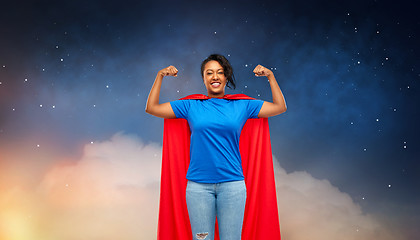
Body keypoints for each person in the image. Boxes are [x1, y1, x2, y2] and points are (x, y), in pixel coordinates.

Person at [145, 54, 286, 240]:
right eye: (209, 73)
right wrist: (160, 76)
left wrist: (270, 76)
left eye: (220, 72)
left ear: (226, 77)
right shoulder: (190, 106)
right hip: (198, 188)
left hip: (233, 186)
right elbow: (152, 108)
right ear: (203, 79)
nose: (215, 76)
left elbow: (279, 107)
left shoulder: (243, 105)